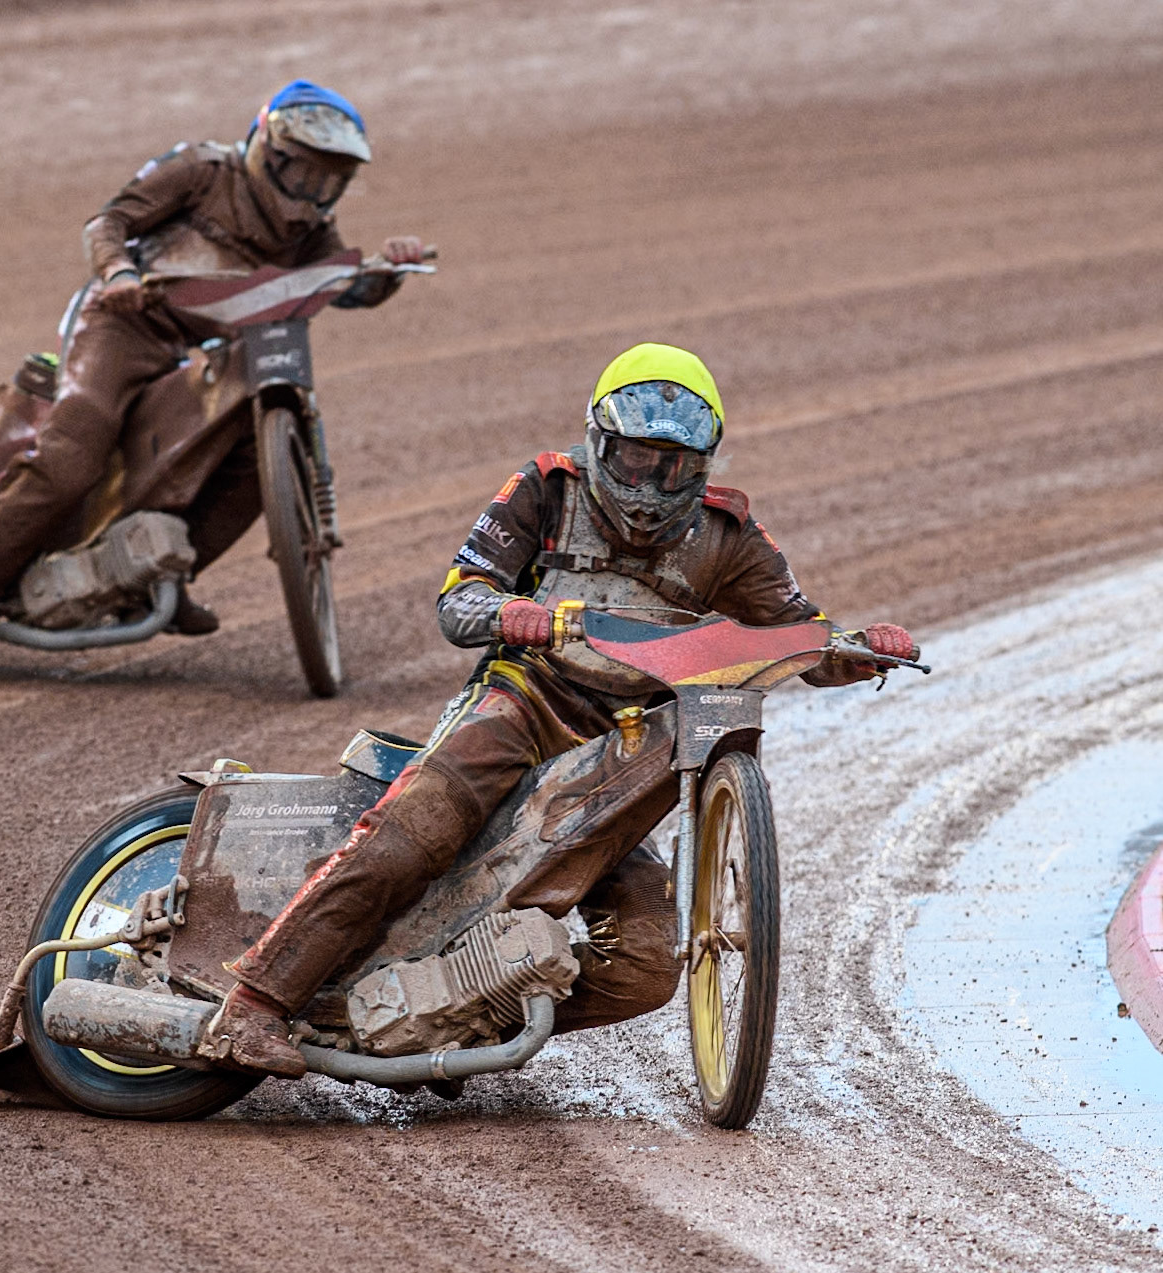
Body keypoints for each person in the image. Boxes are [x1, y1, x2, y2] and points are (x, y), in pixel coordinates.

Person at [201, 342, 921, 1076]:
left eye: (670, 467)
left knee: (646, 964)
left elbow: (800, 635)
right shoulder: (546, 489)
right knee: (408, 834)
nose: (648, 484)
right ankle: (253, 1004)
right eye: (635, 460)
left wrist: (861, 650)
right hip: (522, 703)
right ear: (600, 441)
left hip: (622, 757)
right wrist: (509, 611)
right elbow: (460, 596)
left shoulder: (729, 538)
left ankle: (460, 1010)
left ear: (702, 466)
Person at [0, 80, 427, 668]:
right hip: (124, 328)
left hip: (206, 354)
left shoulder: (310, 234)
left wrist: (389, 272)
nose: (313, 195)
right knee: (73, 453)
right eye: (305, 174)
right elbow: (108, 223)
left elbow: (342, 286)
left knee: (254, 462)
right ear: (268, 151)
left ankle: (160, 579)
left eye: (330, 182)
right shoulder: (201, 171)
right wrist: (119, 272)